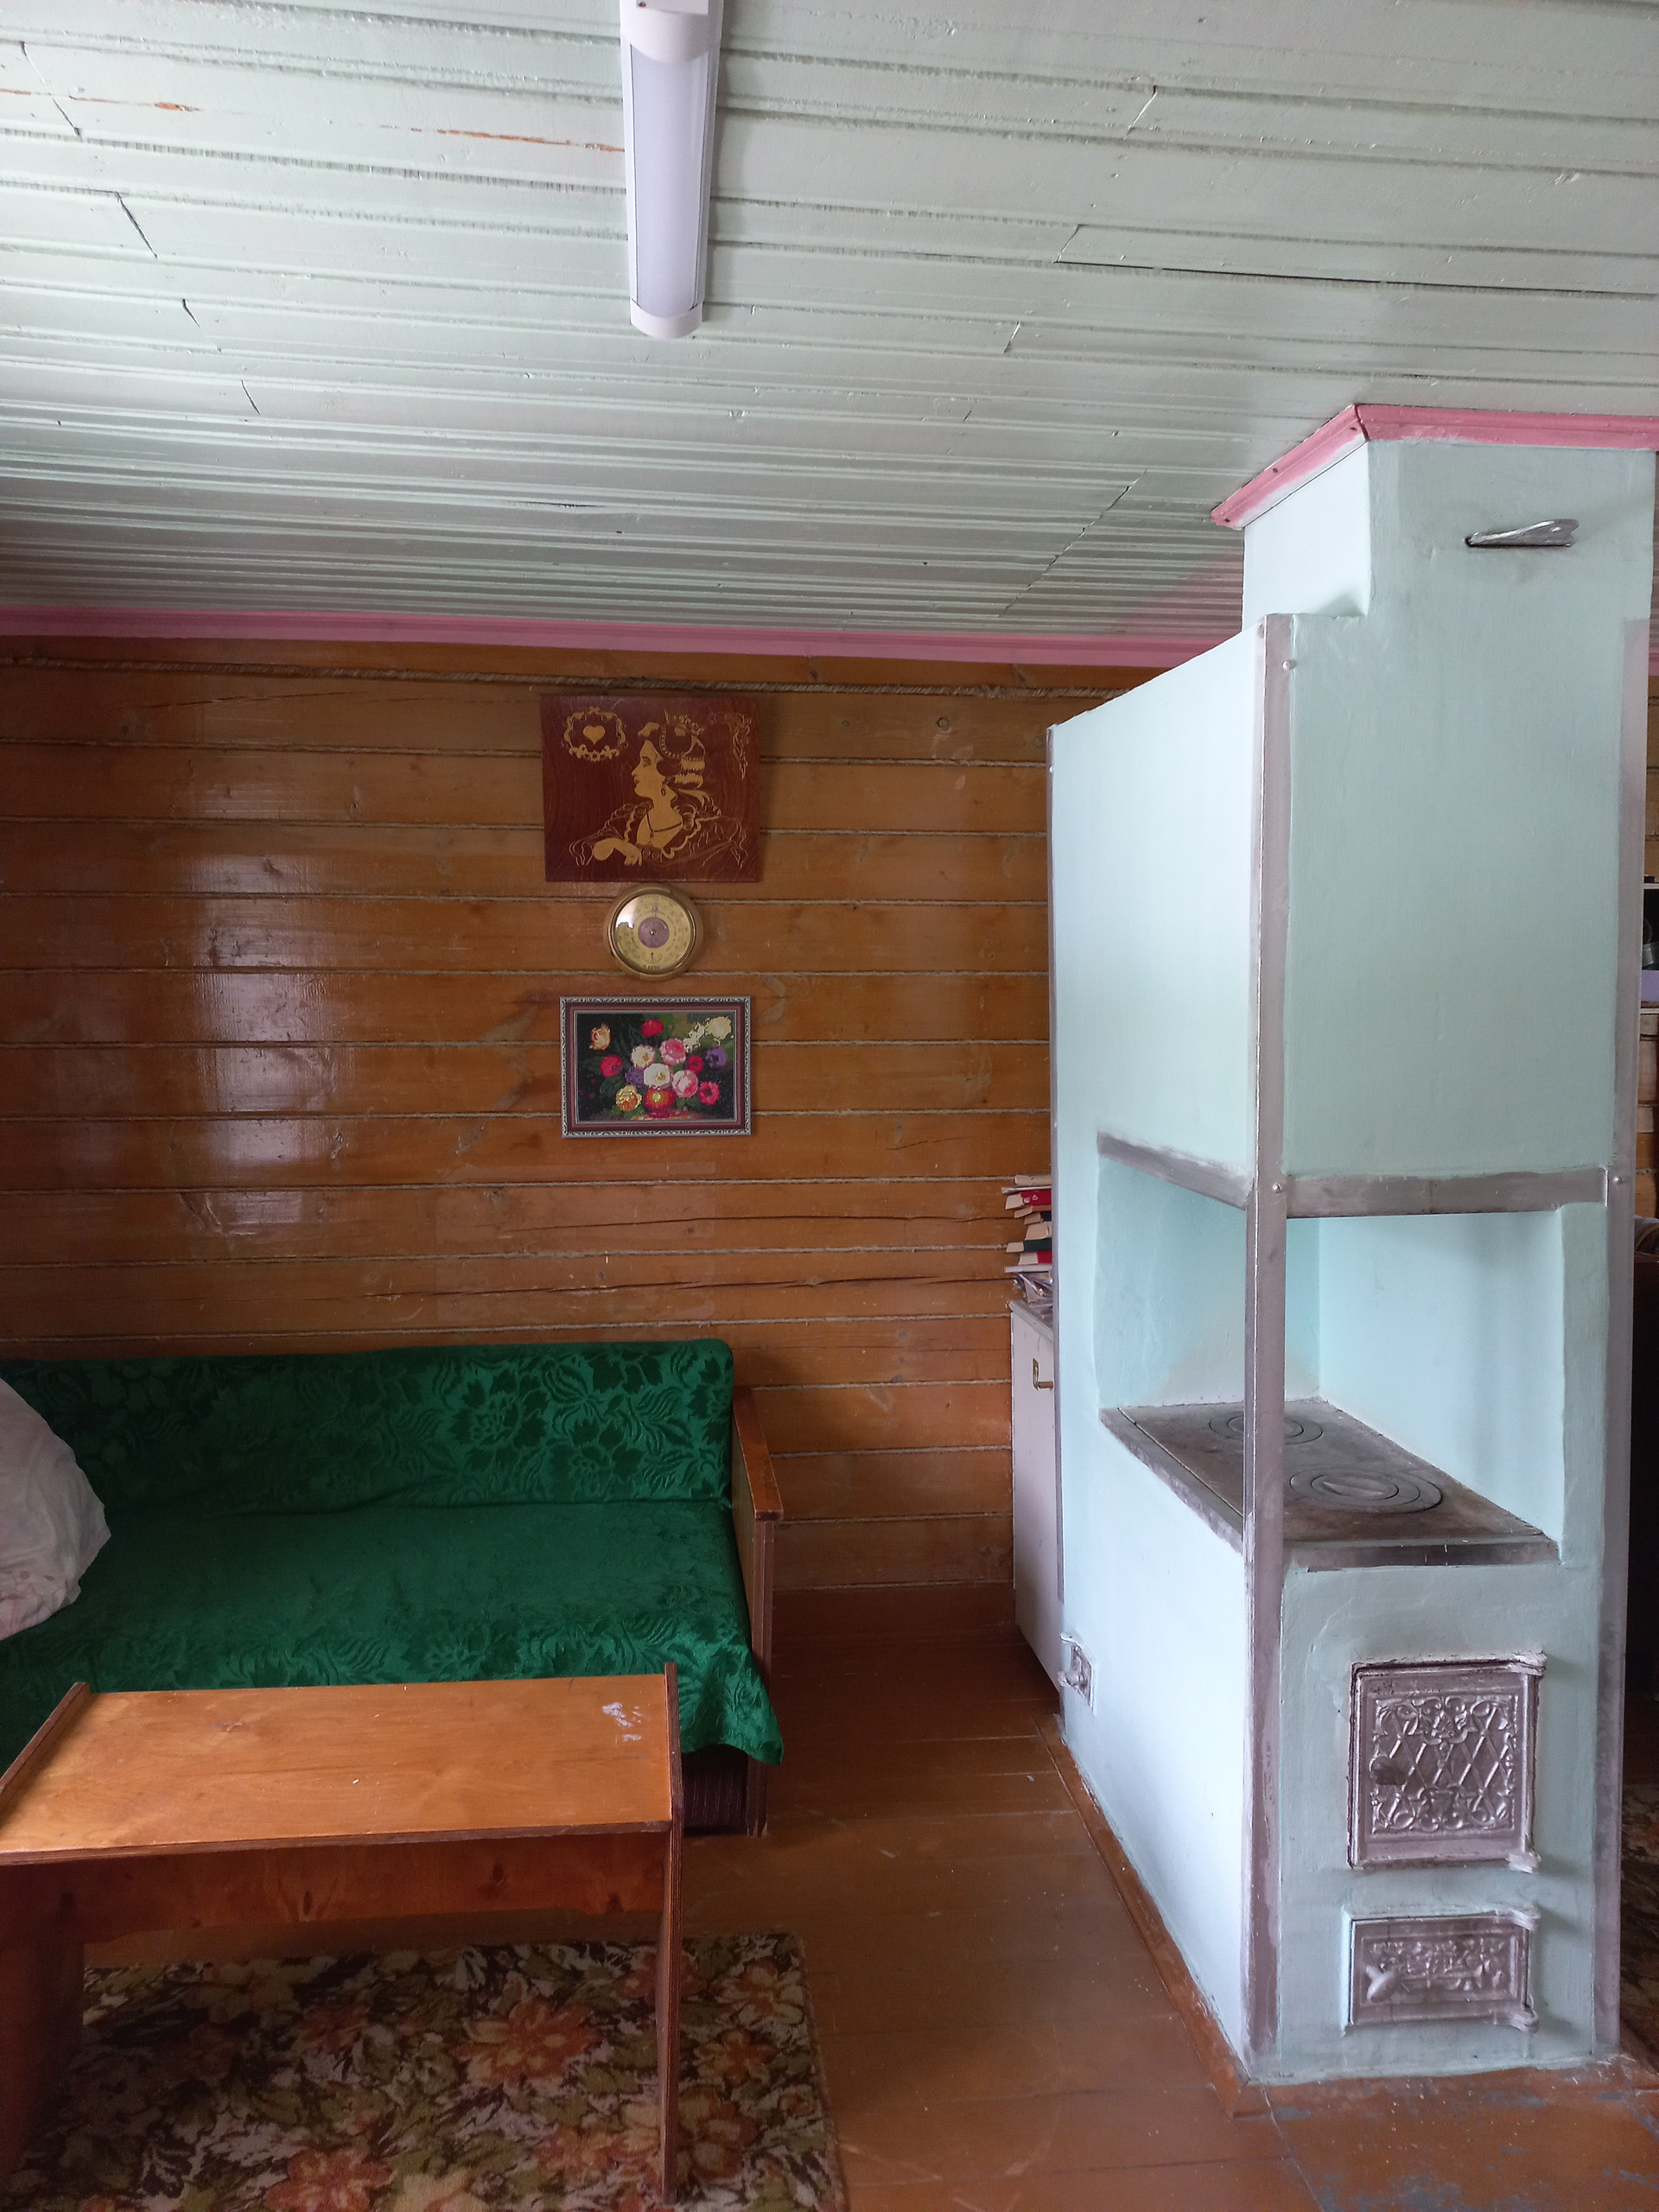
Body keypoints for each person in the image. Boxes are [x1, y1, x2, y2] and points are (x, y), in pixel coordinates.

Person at [575, 727, 746, 871]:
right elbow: (585, 853)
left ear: (668, 774)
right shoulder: (627, 820)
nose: (634, 771)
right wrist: (615, 843)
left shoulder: (712, 833)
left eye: (645, 762)